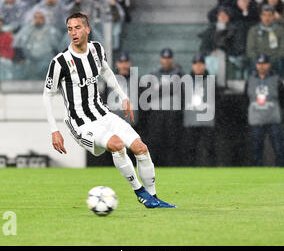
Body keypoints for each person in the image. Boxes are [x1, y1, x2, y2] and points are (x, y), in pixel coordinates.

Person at [43, 12, 176, 209]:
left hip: (102, 114)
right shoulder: (60, 62)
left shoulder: (96, 49)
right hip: (81, 123)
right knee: (117, 144)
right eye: (70, 29)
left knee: (141, 148)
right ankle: (140, 192)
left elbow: (105, 70)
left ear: (87, 29)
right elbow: (47, 94)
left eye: (77, 27)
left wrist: (123, 96)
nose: (73, 32)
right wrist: (54, 130)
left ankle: (153, 198)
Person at [244, 54, 284, 167]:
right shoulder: (250, 80)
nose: (262, 66)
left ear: (269, 65)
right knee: (256, 149)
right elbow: (246, 99)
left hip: (273, 119)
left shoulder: (277, 81)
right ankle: (257, 171)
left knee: (278, 147)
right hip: (256, 119)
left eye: (264, 64)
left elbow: (283, 98)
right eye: (259, 64)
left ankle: (281, 169)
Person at [147, 48, 185, 167]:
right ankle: (155, 166)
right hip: (157, 113)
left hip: (173, 112)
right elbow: (149, 93)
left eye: (168, 58)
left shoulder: (179, 73)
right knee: (156, 141)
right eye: (164, 58)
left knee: (172, 143)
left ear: (172, 59)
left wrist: (159, 88)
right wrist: (170, 87)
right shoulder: (154, 73)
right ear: (160, 59)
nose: (166, 60)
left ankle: (172, 166)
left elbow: (181, 91)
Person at [182, 54, 217, 166]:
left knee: (209, 149)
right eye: (196, 64)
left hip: (207, 121)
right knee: (190, 150)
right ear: (192, 65)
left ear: (204, 65)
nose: (198, 66)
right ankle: (190, 172)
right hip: (190, 120)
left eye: (200, 64)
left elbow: (217, 99)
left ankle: (211, 172)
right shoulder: (186, 81)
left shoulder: (211, 81)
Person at [13, 10, 62, 80]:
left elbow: (58, 48)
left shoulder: (51, 30)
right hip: (29, 61)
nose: (38, 20)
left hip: (46, 61)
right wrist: (20, 58)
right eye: (36, 18)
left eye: (40, 18)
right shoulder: (26, 30)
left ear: (45, 19)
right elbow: (18, 44)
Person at [246, 4, 284, 75]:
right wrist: (260, 60)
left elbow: (283, 49)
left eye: (270, 15)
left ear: (273, 16)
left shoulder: (280, 30)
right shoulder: (254, 30)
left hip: (274, 60)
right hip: (258, 60)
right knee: (253, 64)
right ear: (261, 16)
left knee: (279, 64)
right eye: (264, 15)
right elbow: (250, 49)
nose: (267, 18)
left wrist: (270, 60)